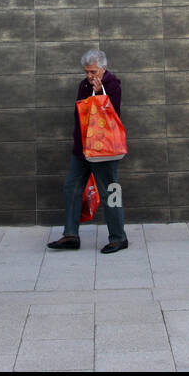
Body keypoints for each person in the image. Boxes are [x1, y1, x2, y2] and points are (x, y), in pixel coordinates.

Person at [47, 49, 128, 254]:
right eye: (87, 72)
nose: (89, 76)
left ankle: (118, 238)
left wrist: (101, 93)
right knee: (71, 187)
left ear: (103, 68)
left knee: (110, 192)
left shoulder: (112, 84)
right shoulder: (83, 85)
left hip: (104, 151)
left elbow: (113, 113)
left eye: (93, 71)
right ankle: (71, 235)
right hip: (82, 149)